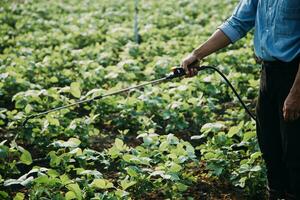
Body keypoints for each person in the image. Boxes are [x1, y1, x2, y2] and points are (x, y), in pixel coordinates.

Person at [181, 0, 300, 199]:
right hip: (269, 74)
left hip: (295, 77)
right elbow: (237, 23)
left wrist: (296, 93)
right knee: (270, 148)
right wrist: (197, 54)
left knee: (295, 153)